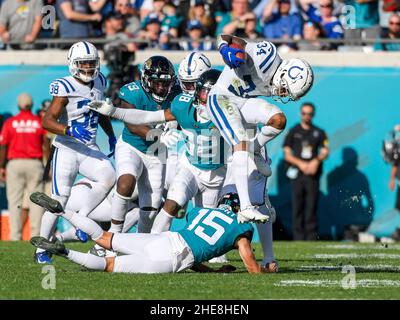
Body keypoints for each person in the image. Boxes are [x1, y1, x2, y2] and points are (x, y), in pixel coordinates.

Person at [205, 34, 313, 223]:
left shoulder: (276, 81)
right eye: (286, 89)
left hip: (242, 102)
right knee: (241, 143)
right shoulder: (267, 58)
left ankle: (255, 149)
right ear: (285, 73)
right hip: (222, 97)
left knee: (278, 120)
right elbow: (229, 38)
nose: (283, 93)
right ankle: (245, 207)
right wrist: (227, 50)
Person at [30, 192, 273, 274]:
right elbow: (250, 265)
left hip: (164, 239)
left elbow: (197, 249)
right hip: (171, 256)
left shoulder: (201, 212)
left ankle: (63, 212)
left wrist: (215, 271)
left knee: (106, 238)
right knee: (109, 265)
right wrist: (264, 271)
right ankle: (65, 252)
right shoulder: (241, 227)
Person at [35, 42, 117, 264]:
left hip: (89, 146)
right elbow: (47, 121)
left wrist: (110, 134)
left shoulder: (100, 80)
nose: (89, 68)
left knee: (109, 176)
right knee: (59, 200)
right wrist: (68, 129)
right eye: (84, 64)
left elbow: (99, 111)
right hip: (67, 148)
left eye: (91, 63)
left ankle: (81, 217)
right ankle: (42, 246)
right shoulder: (64, 87)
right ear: (73, 64)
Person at [91, 56, 180, 255]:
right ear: (147, 80)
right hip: (132, 146)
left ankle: (140, 249)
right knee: (126, 182)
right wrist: (157, 134)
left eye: (165, 83)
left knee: (150, 208)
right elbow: (131, 123)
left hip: (157, 153)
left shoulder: (177, 93)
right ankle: (110, 238)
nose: (161, 88)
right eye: (157, 83)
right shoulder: (132, 92)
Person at [0, 93, 50, 241]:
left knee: (15, 201)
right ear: (32, 105)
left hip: (14, 164)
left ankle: (15, 236)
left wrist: (1, 167)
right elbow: (45, 146)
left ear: (18, 105)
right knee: (36, 201)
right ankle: (36, 236)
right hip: (35, 164)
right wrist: (46, 165)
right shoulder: (38, 122)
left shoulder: (10, 123)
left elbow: (3, 146)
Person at [283, 102, 329, 240]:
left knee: (312, 206)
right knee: (297, 206)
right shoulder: (293, 131)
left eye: (309, 113)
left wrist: (316, 161)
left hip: (312, 175)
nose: (306, 116)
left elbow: (325, 150)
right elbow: (287, 154)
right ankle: (298, 237)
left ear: (313, 115)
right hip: (297, 174)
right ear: (300, 113)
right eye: (304, 113)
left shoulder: (319, 132)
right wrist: (301, 164)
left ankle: (311, 237)